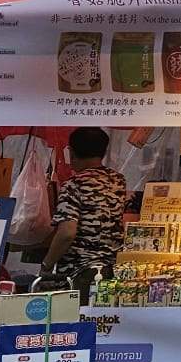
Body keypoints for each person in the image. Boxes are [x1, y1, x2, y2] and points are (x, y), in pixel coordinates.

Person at [41, 127, 130, 299]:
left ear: (71, 152)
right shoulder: (118, 180)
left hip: (79, 274)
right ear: (104, 152)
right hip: (112, 270)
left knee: (77, 322)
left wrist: (46, 264)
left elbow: (67, 233)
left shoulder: (73, 185)